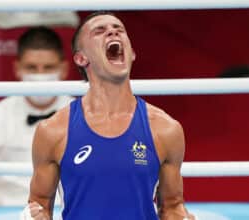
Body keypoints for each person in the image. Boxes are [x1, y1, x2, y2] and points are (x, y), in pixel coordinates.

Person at [23, 12, 195, 220]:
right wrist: (32, 216)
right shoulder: (53, 131)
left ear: (131, 53)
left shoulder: (165, 129)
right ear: (81, 58)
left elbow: (172, 205)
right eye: (100, 31)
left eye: (119, 29)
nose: (113, 31)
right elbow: (39, 204)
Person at [0, 26, 75, 206]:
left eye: (48, 67)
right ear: (17, 68)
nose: (40, 75)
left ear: (64, 68)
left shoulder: (85, 117)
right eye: (32, 68)